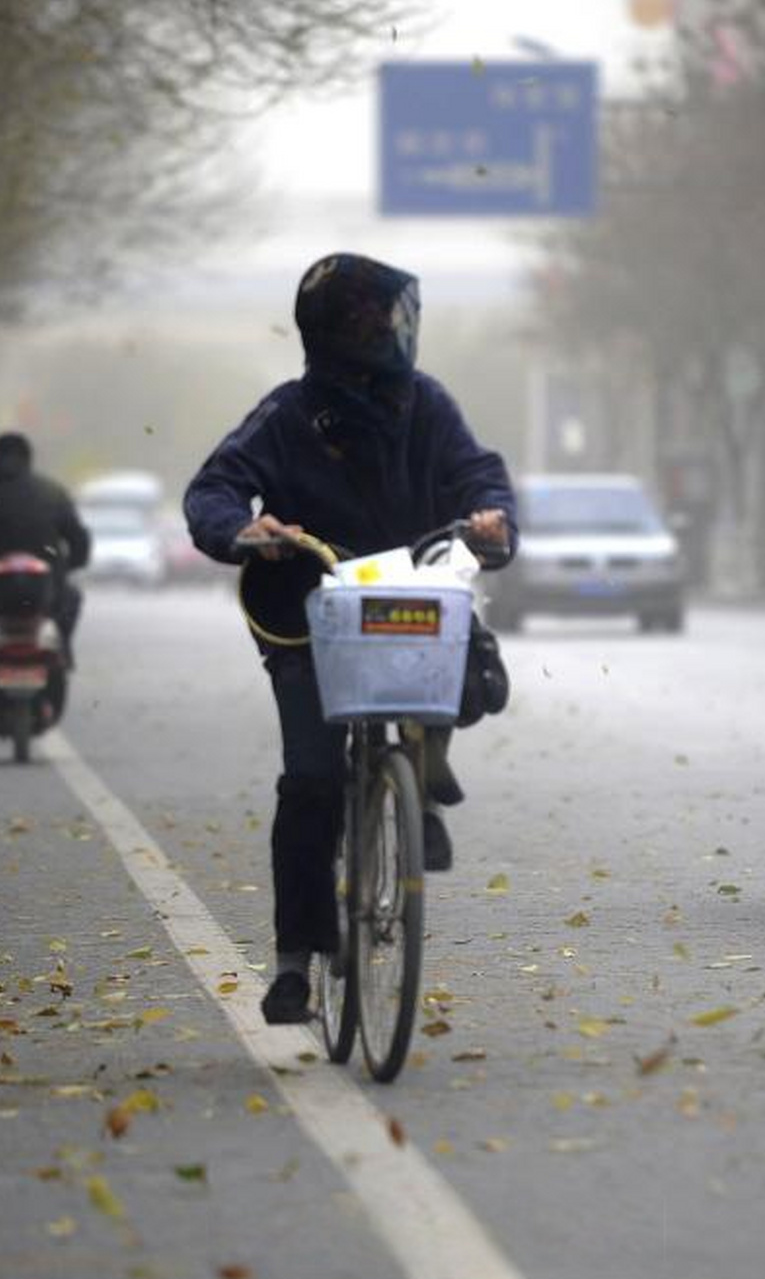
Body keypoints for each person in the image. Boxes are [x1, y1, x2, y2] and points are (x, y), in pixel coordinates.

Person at [183, 252, 517, 1025]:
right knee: (310, 780)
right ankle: (294, 960)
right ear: (334, 332)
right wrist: (243, 528)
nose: (390, 334)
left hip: (403, 599)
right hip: (304, 616)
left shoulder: (427, 406)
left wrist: (494, 518)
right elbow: (213, 488)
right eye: (372, 321)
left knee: (464, 667)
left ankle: (421, 772)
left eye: (394, 320)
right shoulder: (286, 414)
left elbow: (480, 477)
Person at [0, 432, 91, 697]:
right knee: (72, 599)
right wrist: (66, 566)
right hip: (47, 595)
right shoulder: (52, 493)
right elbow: (79, 540)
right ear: (28, 459)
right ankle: (63, 651)